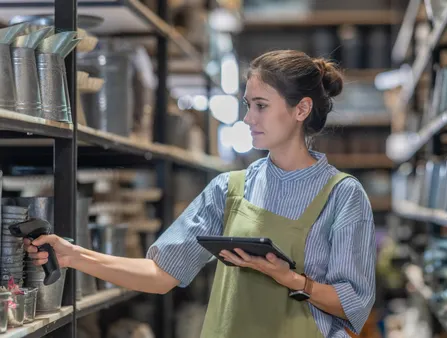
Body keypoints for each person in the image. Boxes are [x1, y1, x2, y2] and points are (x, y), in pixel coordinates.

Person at [24, 50, 377, 338]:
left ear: (301, 109)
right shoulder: (229, 189)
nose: (248, 118)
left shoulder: (343, 197)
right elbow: (161, 275)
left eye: (261, 105)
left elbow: (353, 304)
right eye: (247, 104)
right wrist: (73, 256)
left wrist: (291, 279)